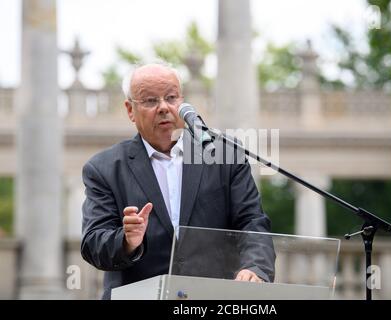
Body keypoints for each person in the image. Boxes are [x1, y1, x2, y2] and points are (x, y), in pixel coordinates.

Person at [81, 62, 275, 299]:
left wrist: (255, 267)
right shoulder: (104, 169)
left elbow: (252, 222)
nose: (164, 107)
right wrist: (127, 240)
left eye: (171, 97)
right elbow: (93, 242)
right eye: (151, 101)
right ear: (130, 110)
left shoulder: (225, 156)